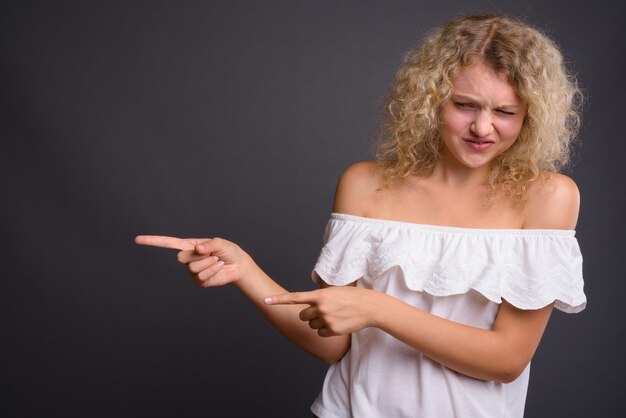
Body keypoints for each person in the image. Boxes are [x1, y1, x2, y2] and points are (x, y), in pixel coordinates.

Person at [135, 14, 586, 418]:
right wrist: (245, 271)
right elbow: (333, 343)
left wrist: (377, 308)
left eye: (505, 112)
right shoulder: (365, 184)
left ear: (530, 115)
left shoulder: (548, 197)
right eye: (464, 105)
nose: (483, 128)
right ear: (432, 100)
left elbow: (506, 360)